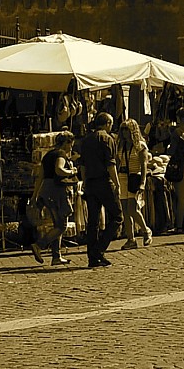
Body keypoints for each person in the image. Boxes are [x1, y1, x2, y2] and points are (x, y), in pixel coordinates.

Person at [78, 111, 120, 268]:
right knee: (117, 216)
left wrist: (85, 182)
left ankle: (92, 257)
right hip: (104, 181)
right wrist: (117, 184)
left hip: (90, 182)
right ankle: (98, 250)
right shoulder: (107, 139)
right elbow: (110, 164)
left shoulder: (86, 140)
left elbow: (82, 165)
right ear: (107, 123)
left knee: (93, 221)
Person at [32, 129, 78, 265]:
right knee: (62, 225)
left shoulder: (47, 156)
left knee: (57, 224)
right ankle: (39, 245)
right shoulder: (61, 154)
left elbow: (40, 176)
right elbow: (59, 169)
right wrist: (71, 171)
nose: (71, 148)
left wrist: (35, 195)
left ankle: (56, 256)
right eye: (71, 144)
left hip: (46, 190)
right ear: (66, 143)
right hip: (57, 191)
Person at [116, 117, 152, 248]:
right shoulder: (121, 145)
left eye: (127, 129)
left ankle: (145, 230)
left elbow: (144, 166)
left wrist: (142, 182)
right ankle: (131, 238)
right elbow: (118, 162)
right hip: (123, 177)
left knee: (132, 208)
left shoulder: (140, 146)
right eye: (123, 129)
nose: (125, 132)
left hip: (134, 177)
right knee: (125, 209)